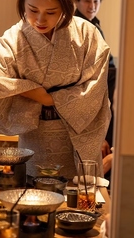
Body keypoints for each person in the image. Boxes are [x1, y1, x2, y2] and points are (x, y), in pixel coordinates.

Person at [0, 0, 111, 183]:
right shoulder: (14, 39)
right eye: (33, 10)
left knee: (80, 200)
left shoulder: (87, 34)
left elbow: (95, 91)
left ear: (66, 9)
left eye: (51, 12)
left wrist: (46, 98)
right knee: (34, 196)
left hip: (79, 139)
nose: (40, 19)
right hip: (35, 138)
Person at [74, 0, 116, 181]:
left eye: (97, 0)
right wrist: (99, 135)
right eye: (87, 0)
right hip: (87, 105)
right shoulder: (76, 27)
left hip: (106, 102)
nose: (92, 5)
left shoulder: (95, 26)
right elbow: (86, 87)